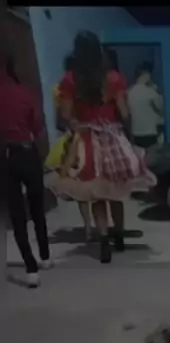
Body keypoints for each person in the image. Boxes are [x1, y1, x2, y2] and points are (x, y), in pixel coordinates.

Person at [45, 31, 156, 264]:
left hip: (86, 141)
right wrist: (127, 135)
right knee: (116, 191)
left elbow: (65, 116)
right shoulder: (114, 78)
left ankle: (104, 240)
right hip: (113, 138)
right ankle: (119, 237)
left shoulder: (70, 80)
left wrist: (78, 124)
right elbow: (124, 113)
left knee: (96, 195)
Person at [0, 54, 52, 287]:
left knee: (17, 214)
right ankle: (45, 256)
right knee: (37, 206)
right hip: (27, 152)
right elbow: (38, 126)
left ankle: (31, 268)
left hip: (6, 155)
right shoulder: (24, 93)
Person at [46, 53, 93, 242]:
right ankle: (101, 227)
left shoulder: (60, 88)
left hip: (75, 138)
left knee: (80, 185)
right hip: (91, 137)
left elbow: (60, 119)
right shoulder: (89, 85)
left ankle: (88, 227)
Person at [127, 61, 164, 150]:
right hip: (150, 133)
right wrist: (156, 89)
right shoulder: (151, 92)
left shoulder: (130, 92)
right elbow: (161, 107)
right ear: (146, 75)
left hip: (136, 133)